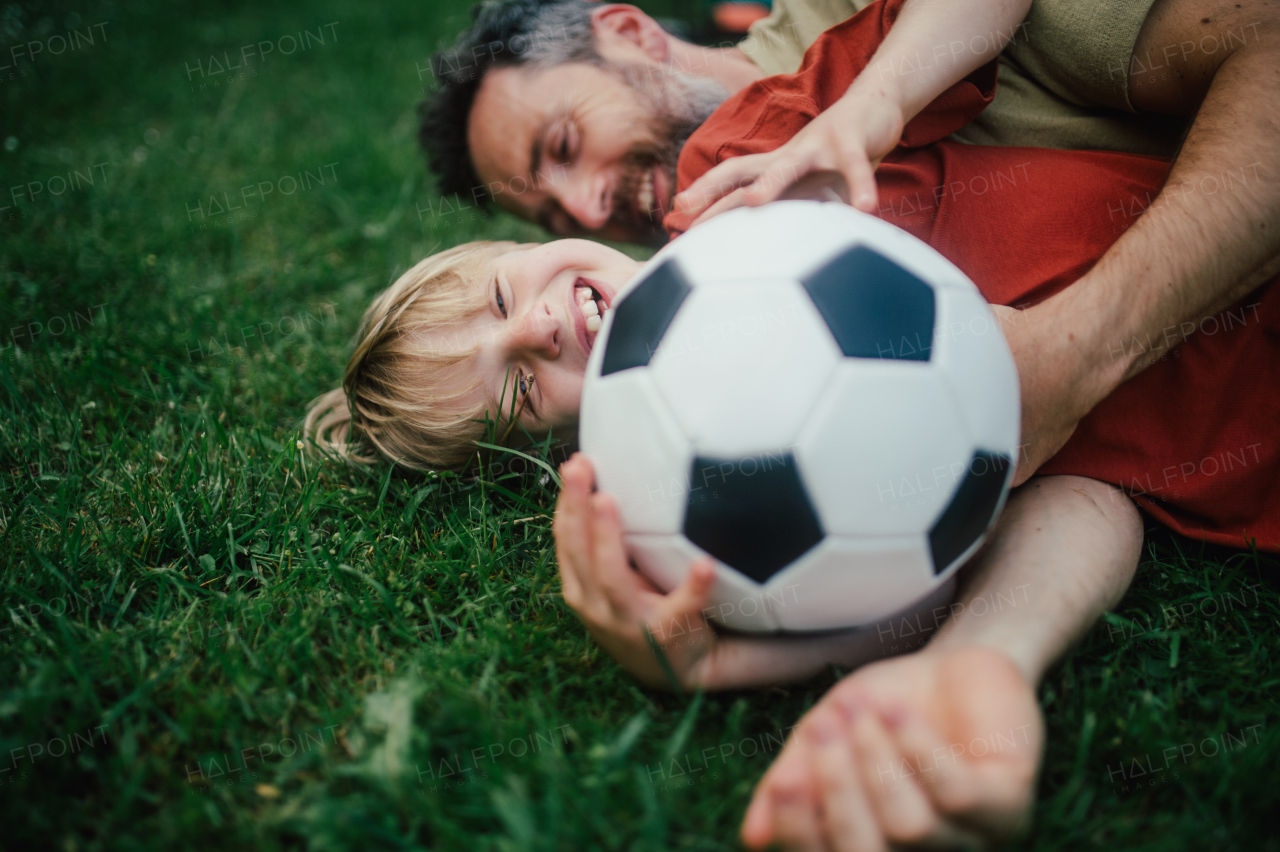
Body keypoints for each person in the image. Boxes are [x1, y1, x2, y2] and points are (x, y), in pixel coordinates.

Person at [420, 0, 1280, 490]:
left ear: (629, 33)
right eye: (552, 218)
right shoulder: (723, 363)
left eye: (563, 147)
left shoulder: (878, 23)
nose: (589, 204)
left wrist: (1075, 351)